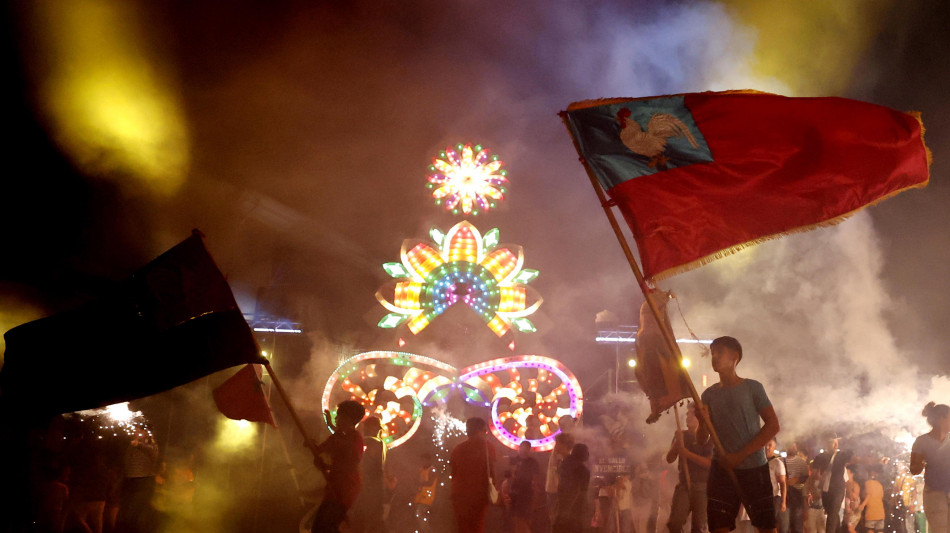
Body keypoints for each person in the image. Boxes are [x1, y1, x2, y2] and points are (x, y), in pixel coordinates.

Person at [696, 336, 780, 533]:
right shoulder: (708, 395)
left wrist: (739, 456)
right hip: (722, 468)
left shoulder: (753, 388)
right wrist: (702, 422)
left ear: (735, 357)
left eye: (720, 352)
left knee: (766, 526)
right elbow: (701, 440)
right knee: (719, 527)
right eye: (713, 353)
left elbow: (773, 426)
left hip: (754, 468)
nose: (714, 357)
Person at [307, 400, 366, 533]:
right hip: (333, 488)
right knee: (321, 527)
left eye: (338, 415)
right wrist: (311, 445)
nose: (335, 418)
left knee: (326, 527)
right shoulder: (338, 436)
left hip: (345, 490)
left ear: (347, 419)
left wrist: (328, 467)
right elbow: (319, 450)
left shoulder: (355, 438)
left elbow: (352, 464)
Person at [666, 405, 712, 533]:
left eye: (691, 414)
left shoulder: (709, 437)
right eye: (687, 414)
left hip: (703, 487)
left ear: (700, 417)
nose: (688, 417)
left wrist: (687, 454)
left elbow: (709, 463)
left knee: (699, 528)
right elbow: (669, 458)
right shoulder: (682, 435)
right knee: (674, 524)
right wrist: (676, 445)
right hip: (684, 486)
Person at [450, 417, 497, 533]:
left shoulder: (458, 449)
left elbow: (453, 472)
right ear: (482, 430)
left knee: (463, 527)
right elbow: (491, 470)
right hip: (479, 495)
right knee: (477, 526)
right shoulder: (488, 447)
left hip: (459, 494)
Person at [910, 402, 950, 533]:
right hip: (935, 494)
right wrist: (921, 462)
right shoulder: (922, 442)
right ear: (941, 418)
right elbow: (914, 470)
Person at [116, 433, 159, 533]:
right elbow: (126, 461)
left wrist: (139, 445)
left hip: (143, 484)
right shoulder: (131, 446)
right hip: (132, 483)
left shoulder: (151, 445)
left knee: (138, 514)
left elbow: (152, 452)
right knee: (129, 514)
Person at [349, 416, 386, 533]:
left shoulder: (377, 443)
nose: (366, 428)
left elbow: (374, 466)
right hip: (364, 487)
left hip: (368, 487)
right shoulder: (370, 442)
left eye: (368, 426)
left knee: (366, 521)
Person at [816, 433, 853, 533]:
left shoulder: (841, 456)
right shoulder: (821, 457)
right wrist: (813, 488)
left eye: (837, 442)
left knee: (832, 515)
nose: (836, 444)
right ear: (827, 443)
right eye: (833, 442)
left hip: (838, 490)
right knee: (832, 514)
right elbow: (815, 473)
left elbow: (857, 460)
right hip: (826, 490)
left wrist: (878, 460)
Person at [554, 443, 591, 533]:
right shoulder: (583, 470)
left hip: (562, 506)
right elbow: (580, 490)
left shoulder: (564, 464)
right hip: (576, 508)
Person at [510, 440, 542, 533]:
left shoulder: (533, 462)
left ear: (529, 450)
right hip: (514, 492)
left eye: (525, 448)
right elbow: (509, 474)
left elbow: (535, 479)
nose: (522, 450)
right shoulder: (514, 460)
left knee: (523, 518)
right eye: (521, 447)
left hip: (526, 493)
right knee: (515, 518)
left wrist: (535, 493)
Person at [547, 432, 576, 522]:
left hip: (560, 496)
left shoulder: (569, 463)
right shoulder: (564, 461)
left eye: (558, 444)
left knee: (557, 521)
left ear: (564, 445)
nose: (555, 447)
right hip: (556, 493)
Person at [784, 443, 809, 533]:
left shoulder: (801, 462)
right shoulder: (780, 461)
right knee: (784, 526)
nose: (794, 447)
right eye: (791, 445)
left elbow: (806, 478)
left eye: (794, 445)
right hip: (784, 497)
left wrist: (797, 480)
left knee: (797, 525)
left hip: (797, 495)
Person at [413, 453, 438, 533]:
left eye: (424, 460)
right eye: (422, 460)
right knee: (420, 520)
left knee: (422, 519)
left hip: (427, 499)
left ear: (428, 460)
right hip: (419, 498)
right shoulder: (421, 469)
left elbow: (430, 482)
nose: (423, 462)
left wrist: (419, 484)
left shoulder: (432, 470)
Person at [767, 440, 788, 533]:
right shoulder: (761, 462)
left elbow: (783, 483)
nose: (767, 447)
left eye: (770, 445)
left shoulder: (777, 463)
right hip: (764, 498)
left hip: (774, 497)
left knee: (772, 524)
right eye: (765, 445)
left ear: (774, 448)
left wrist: (783, 502)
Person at [859, 466, 885, 533]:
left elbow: (869, 495)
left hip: (871, 512)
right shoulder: (880, 485)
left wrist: (862, 505)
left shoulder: (868, 483)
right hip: (880, 512)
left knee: (870, 530)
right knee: (880, 530)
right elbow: (881, 496)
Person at [804, 461, 825, 533]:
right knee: (812, 530)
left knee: (822, 530)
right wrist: (806, 510)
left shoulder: (824, 481)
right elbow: (805, 495)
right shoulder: (809, 481)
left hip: (822, 509)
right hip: (812, 510)